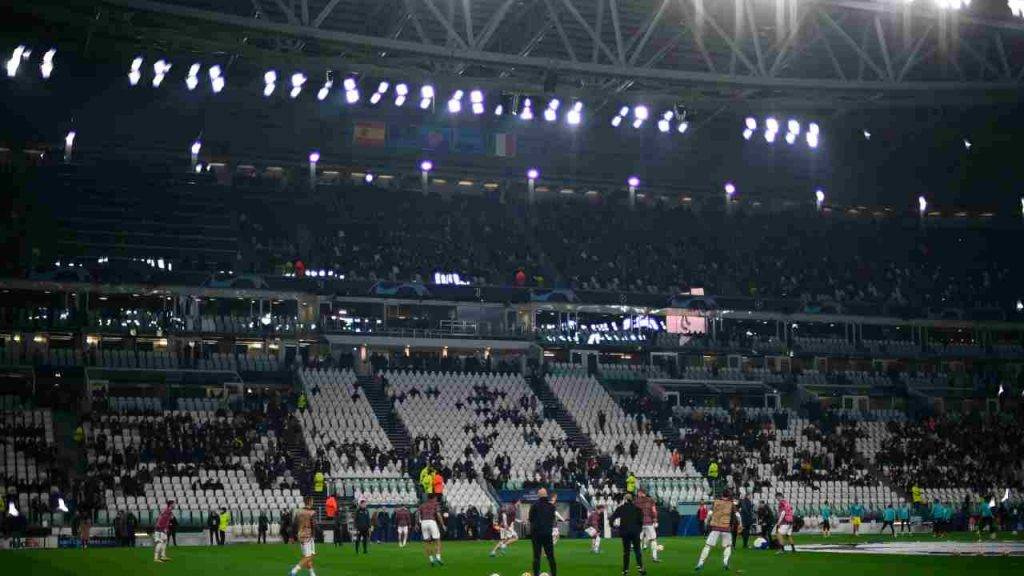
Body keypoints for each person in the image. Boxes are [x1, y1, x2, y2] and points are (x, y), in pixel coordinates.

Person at [695, 488, 741, 572]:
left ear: (722, 494)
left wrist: (706, 521)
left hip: (715, 527)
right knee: (727, 546)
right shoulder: (731, 504)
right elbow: (737, 515)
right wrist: (740, 524)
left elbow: (709, 513)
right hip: (726, 528)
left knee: (708, 546)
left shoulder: (716, 502)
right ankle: (725, 562)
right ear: (729, 495)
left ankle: (700, 563)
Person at [611, 492, 645, 576]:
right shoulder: (638, 509)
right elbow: (641, 521)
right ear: (632, 500)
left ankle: (625, 570)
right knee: (637, 551)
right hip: (635, 532)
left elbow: (612, 518)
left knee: (626, 552)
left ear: (625, 500)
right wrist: (639, 530)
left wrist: (613, 526)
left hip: (625, 532)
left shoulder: (621, 508)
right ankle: (640, 569)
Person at [528, 487, 557, 576]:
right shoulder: (552, 507)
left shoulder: (534, 506)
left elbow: (531, 519)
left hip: (536, 534)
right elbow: (552, 519)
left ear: (538, 495)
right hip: (547, 533)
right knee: (550, 556)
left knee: (536, 556)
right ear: (546, 495)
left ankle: (536, 574)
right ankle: (553, 573)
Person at [288, 497, 317, 576]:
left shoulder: (298, 512)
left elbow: (294, 525)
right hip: (308, 535)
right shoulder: (312, 512)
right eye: (312, 501)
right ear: (310, 502)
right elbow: (314, 524)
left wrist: (292, 537)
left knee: (308, 555)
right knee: (308, 556)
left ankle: (312, 573)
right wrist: (314, 535)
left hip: (300, 535)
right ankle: (294, 571)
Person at [418, 494, 445, 566]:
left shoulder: (422, 505)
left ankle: (431, 560)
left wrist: (416, 525)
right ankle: (438, 558)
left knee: (427, 542)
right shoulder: (435, 504)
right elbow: (438, 514)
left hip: (423, 522)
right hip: (431, 521)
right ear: (434, 498)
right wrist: (442, 524)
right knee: (437, 540)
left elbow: (417, 515)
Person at [636, 489, 660, 563]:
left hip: (639, 523)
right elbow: (654, 511)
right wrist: (655, 520)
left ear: (640, 493)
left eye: (638, 493)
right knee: (653, 539)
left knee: (638, 540)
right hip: (648, 522)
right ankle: (654, 557)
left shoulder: (636, 501)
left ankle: (639, 559)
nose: (638, 494)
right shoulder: (650, 500)